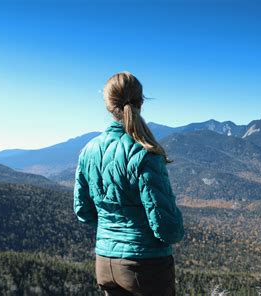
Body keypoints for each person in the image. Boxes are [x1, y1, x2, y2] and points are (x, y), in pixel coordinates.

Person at [73, 71, 185, 296]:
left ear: (108, 105)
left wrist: (112, 228)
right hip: (145, 267)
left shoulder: (89, 150)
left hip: (105, 263)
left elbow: (83, 211)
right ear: (141, 102)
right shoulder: (145, 153)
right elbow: (166, 226)